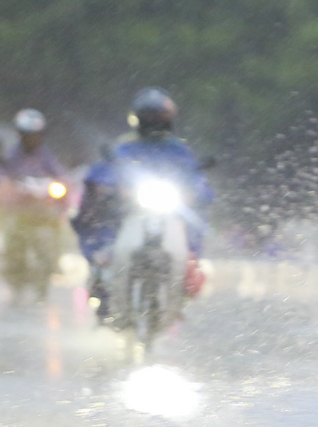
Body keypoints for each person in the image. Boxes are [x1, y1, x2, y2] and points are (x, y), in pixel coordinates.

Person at [73, 88, 214, 316]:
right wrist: (108, 187)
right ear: (138, 117)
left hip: (169, 211)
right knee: (103, 224)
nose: (154, 121)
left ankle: (189, 268)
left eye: (159, 116)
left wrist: (195, 192)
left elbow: (195, 178)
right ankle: (102, 269)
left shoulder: (178, 149)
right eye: (149, 116)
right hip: (128, 210)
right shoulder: (125, 147)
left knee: (195, 225)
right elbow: (104, 172)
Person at [0, 109, 68, 300]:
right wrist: (7, 188)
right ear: (20, 135)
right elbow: (1, 176)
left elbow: (60, 176)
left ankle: (54, 264)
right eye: (28, 135)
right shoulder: (12, 156)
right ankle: (13, 276)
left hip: (43, 211)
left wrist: (62, 190)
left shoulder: (46, 156)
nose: (32, 139)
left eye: (36, 135)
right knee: (12, 238)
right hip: (19, 212)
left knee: (58, 231)